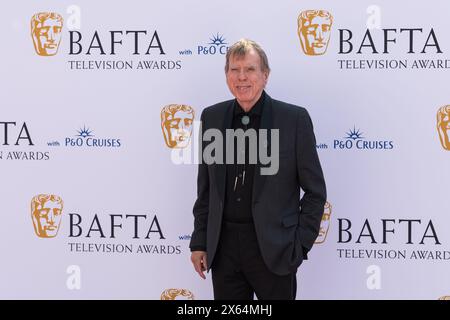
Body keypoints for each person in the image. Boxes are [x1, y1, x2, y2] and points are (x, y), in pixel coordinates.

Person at [189, 39, 326, 300]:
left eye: (250, 69)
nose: (242, 77)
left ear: (265, 75)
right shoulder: (212, 118)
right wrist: (199, 242)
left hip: (275, 250)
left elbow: (315, 191)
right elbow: (206, 189)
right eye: (234, 69)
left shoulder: (294, 120)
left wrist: (299, 245)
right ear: (227, 75)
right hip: (224, 250)